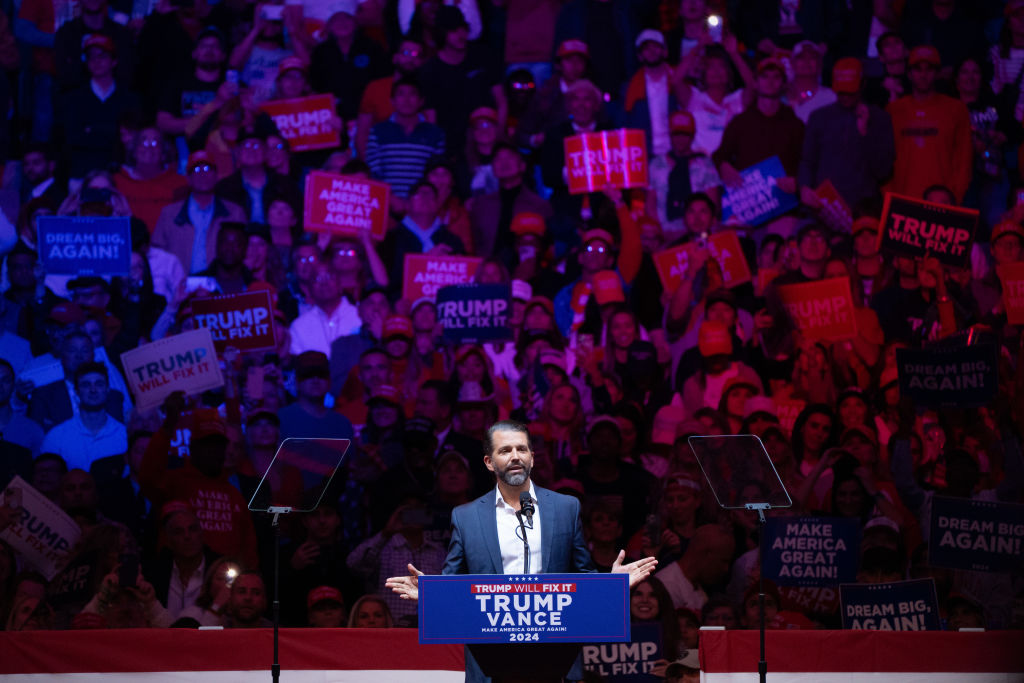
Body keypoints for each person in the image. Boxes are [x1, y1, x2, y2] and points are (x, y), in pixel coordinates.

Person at [387, 419, 657, 682]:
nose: (515, 456)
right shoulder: (467, 517)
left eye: (522, 449)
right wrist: (431, 594)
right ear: (489, 462)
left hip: (554, 656)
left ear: (532, 458)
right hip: (491, 658)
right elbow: (454, 583)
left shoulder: (566, 508)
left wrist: (612, 585)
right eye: (505, 450)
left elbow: (581, 579)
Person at [886, 45, 972, 203]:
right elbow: (884, 159)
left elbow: (963, 161)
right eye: (918, 69)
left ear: (938, 73)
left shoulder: (956, 109)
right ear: (909, 74)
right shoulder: (893, 110)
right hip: (902, 201)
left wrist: (953, 198)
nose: (923, 75)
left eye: (929, 69)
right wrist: (890, 198)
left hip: (942, 202)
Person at [152, 151, 247, 275]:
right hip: (180, 283)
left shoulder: (234, 213)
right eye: (197, 170)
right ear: (188, 178)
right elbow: (157, 253)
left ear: (216, 176)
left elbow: (245, 252)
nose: (203, 174)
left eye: (207, 169)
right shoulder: (169, 214)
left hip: (220, 284)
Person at [39, 362, 127, 472]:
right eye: (86, 385)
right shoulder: (56, 438)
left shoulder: (124, 436)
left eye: (99, 384)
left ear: (107, 389)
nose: (93, 390)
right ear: (76, 392)